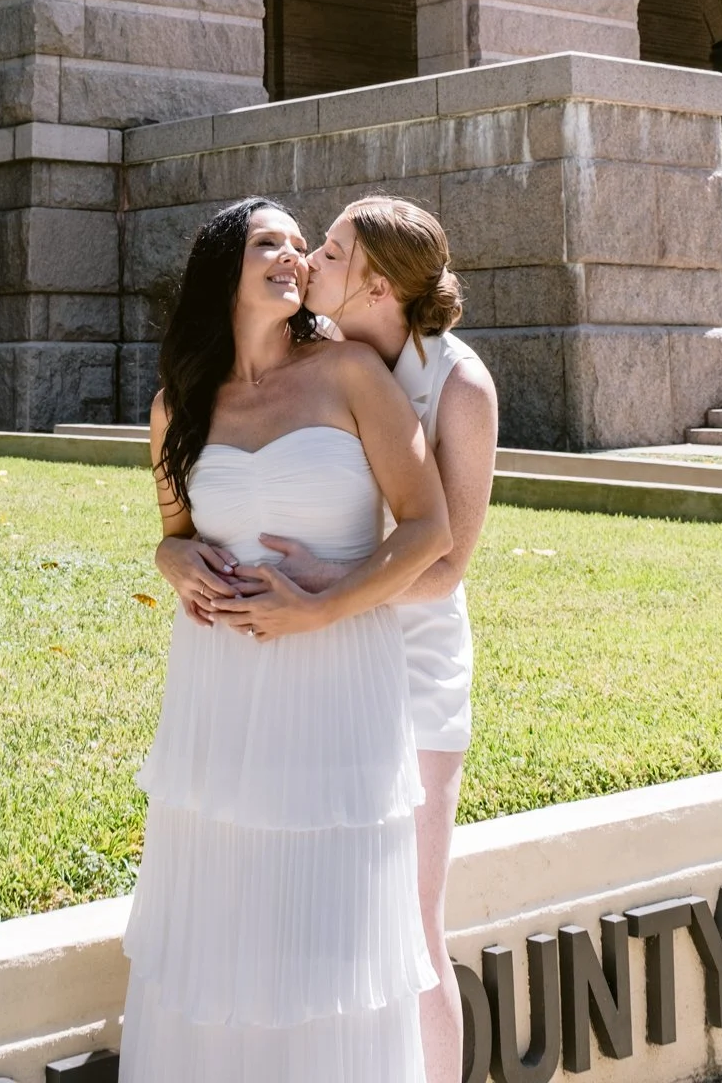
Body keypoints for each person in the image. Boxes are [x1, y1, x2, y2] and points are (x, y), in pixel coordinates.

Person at [121, 196, 453, 1083]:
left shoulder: (349, 374)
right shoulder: (178, 405)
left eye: (304, 247)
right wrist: (174, 561)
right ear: (221, 267)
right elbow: (172, 532)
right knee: (227, 917)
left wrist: (321, 606)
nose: (295, 257)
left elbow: (428, 529)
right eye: (270, 242)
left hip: (337, 680)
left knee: (326, 920)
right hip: (219, 694)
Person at [278, 196, 499, 1083]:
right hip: (322, 654)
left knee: (411, 920)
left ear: (374, 283)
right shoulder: (320, 357)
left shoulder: (459, 384)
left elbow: (445, 567)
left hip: (412, 668)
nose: (310, 261)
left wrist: (330, 589)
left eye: (329, 251)